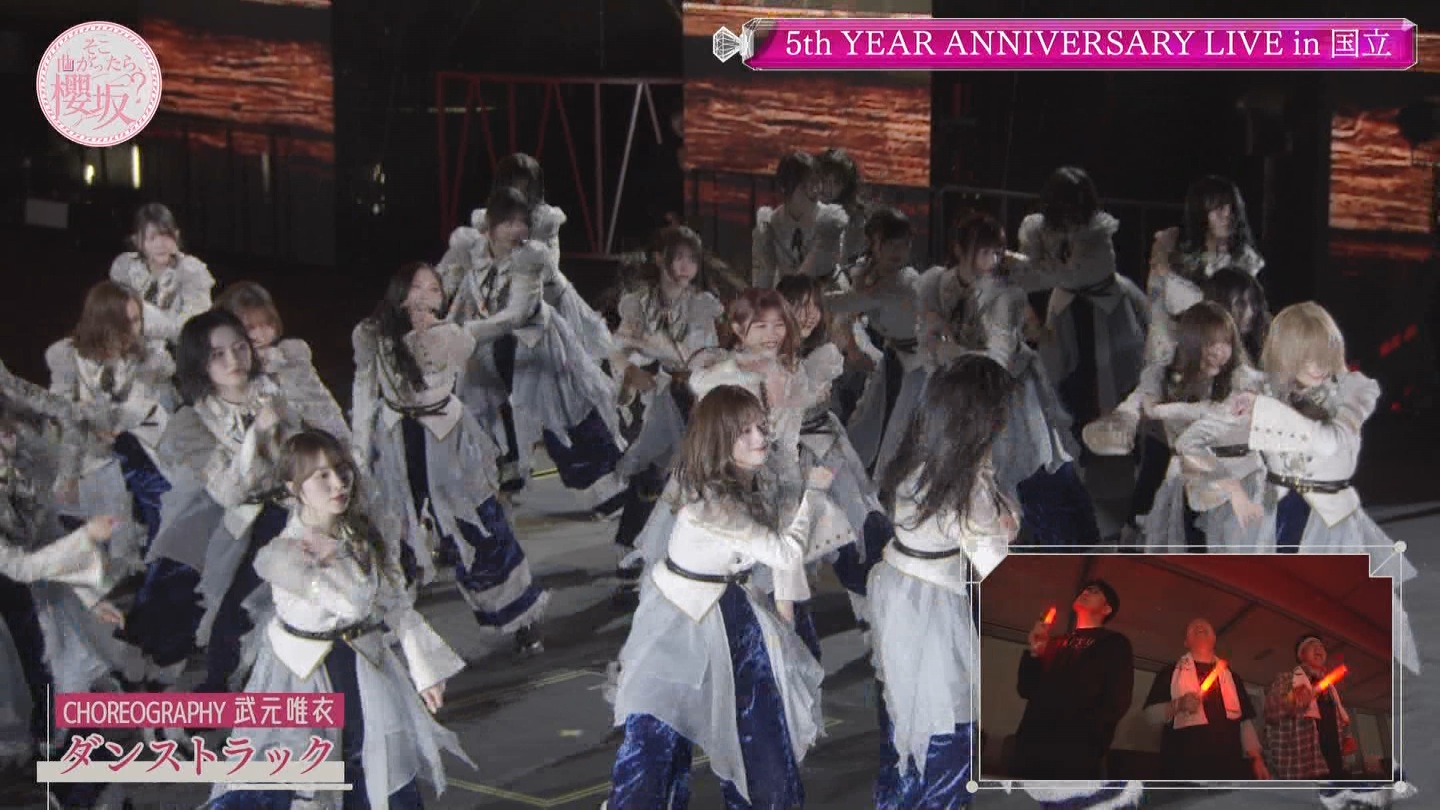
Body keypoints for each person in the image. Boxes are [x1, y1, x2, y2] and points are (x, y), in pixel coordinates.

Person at [604, 385, 844, 809]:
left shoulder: (734, 484)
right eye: (744, 432)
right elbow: (785, 553)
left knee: (758, 730)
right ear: (719, 440)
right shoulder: (716, 504)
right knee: (655, 737)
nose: (759, 438)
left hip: (726, 612)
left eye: (760, 427)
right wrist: (815, 494)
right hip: (683, 621)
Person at [209, 430, 473, 810]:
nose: (338, 483)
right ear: (294, 487)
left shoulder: (363, 531)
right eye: (322, 476)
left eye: (341, 469)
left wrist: (423, 668)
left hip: (363, 663)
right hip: (304, 676)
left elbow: (395, 602)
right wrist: (340, 556)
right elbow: (354, 603)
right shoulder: (281, 554)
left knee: (378, 764)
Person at [352, 261, 548, 655]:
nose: (425, 296)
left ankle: (518, 615)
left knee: (478, 523)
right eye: (417, 287)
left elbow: (461, 351)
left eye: (433, 289)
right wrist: (359, 449)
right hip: (396, 442)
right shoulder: (371, 334)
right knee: (394, 531)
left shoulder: (451, 335)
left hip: (446, 439)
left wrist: (429, 330)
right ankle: (390, 626)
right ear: (399, 292)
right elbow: (363, 388)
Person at [870, 354, 1018, 808]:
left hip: (899, 591)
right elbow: (995, 566)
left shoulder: (918, 458)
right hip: (933, 604)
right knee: (948, 723)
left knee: (906, 709)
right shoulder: (964, 483)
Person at [1011, 167, 1148, 440]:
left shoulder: (1097, 230)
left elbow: (1074, 274)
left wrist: (1031, 268)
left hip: (1106, 307)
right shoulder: (1038, 229)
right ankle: (1065, 435)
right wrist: (1028, 270)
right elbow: (1029, 275)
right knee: (1058, 373)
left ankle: (1113, 437)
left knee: (1112, 374)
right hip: (1066, 308)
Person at [45, 281, 175, 568]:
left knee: (164, 498)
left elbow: (146, 404)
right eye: (122, 323)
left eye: (136, 320)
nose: (132, 331)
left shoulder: (146, 358)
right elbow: (59, 407)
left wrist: (123, 420)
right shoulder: (69, 356)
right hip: (90, 451)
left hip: (138, 443)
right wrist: (89, 424)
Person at [1013, 579, 1134, 779]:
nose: (1086, 592)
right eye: (1085, 589)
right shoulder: (1055, 642)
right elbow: (1026, 689)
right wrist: (1035, 652)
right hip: (1032, 744)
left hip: (1074, 751)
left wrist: (1089, 739)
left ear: (1107, 609)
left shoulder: (1113, 643)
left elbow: (1117, 700)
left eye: (1094, 591)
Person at [215, 280, 350, 442]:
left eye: (266, 324)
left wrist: (341, 443)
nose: (260, 333)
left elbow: (319, 404)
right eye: (250, 327)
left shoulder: (287, 358)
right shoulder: (226, 370)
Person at [1142, 618, 1267, 780]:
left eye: (1205, 625)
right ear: (1186, 642)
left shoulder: (1232, 677)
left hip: (1227, 769)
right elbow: (1149, 716)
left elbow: (1244, 722)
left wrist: (1256, 758)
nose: (1199, 624)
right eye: (1192, 626)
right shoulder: (1170, 672)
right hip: (1181, 768)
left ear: (1214, 638)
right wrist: (1178, 704)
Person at [108, 203, 216, 347]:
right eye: (152, 238)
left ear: (176, 236)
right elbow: (115, 316)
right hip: (131, 347)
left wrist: (147, 318)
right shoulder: (125, 267)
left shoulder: (192, 271)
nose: (161, 244)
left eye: (167, 236)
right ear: (137, 241)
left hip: (177, 350)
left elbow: (193, 328)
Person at [1262, 634, 1355, 780]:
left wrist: (1346, 736)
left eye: (1321, 646)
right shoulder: (1288, 679)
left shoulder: (1331, 689)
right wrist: (1293, 698)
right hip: (1304, 771)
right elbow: (1271, 712)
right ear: (1301, 655)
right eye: (1312, 645)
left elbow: (1339, 719)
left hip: (1336, 768)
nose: (1318, 648)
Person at [752, 151, 849, 289]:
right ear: (785, 188)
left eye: (817, 183)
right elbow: (764, 278)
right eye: (806, 185)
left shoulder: (830, 220)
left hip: (828, 293)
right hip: (787, 296)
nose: (815, 191)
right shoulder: (771, 224)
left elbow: (825, 270)